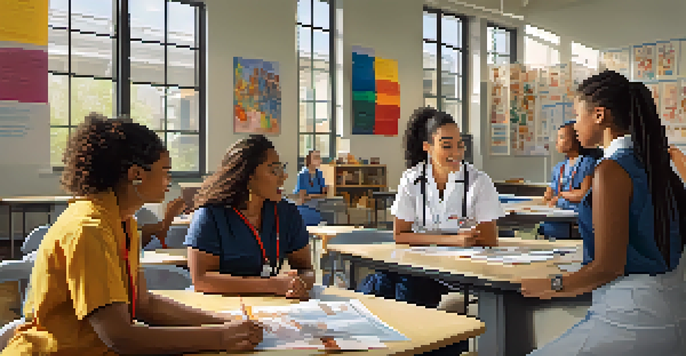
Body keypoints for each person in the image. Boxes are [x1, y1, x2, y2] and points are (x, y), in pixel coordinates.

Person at [2, 114, 263, 355]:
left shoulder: (123, 221)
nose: (168, 182)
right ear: (136, 175)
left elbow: (144, 304)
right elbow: (121, 337)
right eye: (165, 171)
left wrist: (227, 321)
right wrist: (220, 337)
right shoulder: (88, 228)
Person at [521, 70, 686, 355]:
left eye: (577, 114)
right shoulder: (657, 164)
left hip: (630, 318)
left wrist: (552, 285)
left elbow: (609, 266)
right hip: (671, 313)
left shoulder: (610, 170)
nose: (574, 125)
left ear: (599, 115)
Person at [358, 107, 505, 309]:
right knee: (382, 282)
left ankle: (410, 336)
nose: (456, 153)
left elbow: (488, 239)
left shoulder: (479, 182)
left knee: (408, 287)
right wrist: (452, 240)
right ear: (428, 146)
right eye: (447, 146)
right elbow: (400, 234)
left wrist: (426, 238)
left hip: (455, 270)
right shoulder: (411, 179)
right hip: (419, 263)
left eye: (460, 145)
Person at [184, 135, 315, 301]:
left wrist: (299, 283)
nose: (283, 176)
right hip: (219, 307)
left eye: (282, 168)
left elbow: (306, 270)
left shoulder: (287, 212)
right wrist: (272, 285)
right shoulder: (210, 214)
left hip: (269, 306)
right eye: (274, 170)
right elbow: (201, 280)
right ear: (248, 176)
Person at [538, 121, 597, 239]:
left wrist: (562, 195)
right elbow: (549, 194)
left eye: (561, 137)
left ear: (576, 139)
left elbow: (583, 194)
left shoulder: (587, 163)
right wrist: (548, 196)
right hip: (557, 218)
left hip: (577, 220)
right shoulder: (559, 168)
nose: (557, 142)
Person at [293, 150, 328, 226]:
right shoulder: (302, 175)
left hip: (318, 204)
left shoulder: (319, 174)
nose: (319, 160)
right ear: (309, 160)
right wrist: (312, 196)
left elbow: (324, 194)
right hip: (305, 206)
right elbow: (303, 198)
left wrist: (311, 196)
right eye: (316, 157)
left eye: (319, 157)